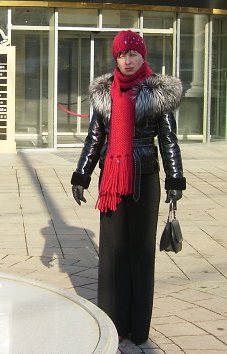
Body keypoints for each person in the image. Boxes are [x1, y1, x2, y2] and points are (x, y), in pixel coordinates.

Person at [70, 30, 186, 346]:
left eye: (133, 54)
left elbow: (168, 140)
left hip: (143, 179)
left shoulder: (157, 92)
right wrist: (82, 175)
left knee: (140, 253)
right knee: (112, 253)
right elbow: (95, 138)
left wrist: (174, 179)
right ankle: (113, 323)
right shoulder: (104, 93)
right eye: (122, 55)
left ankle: (138, 327)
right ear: (116, 58)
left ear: (142, 55)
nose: (128, 60)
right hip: (111, 181)